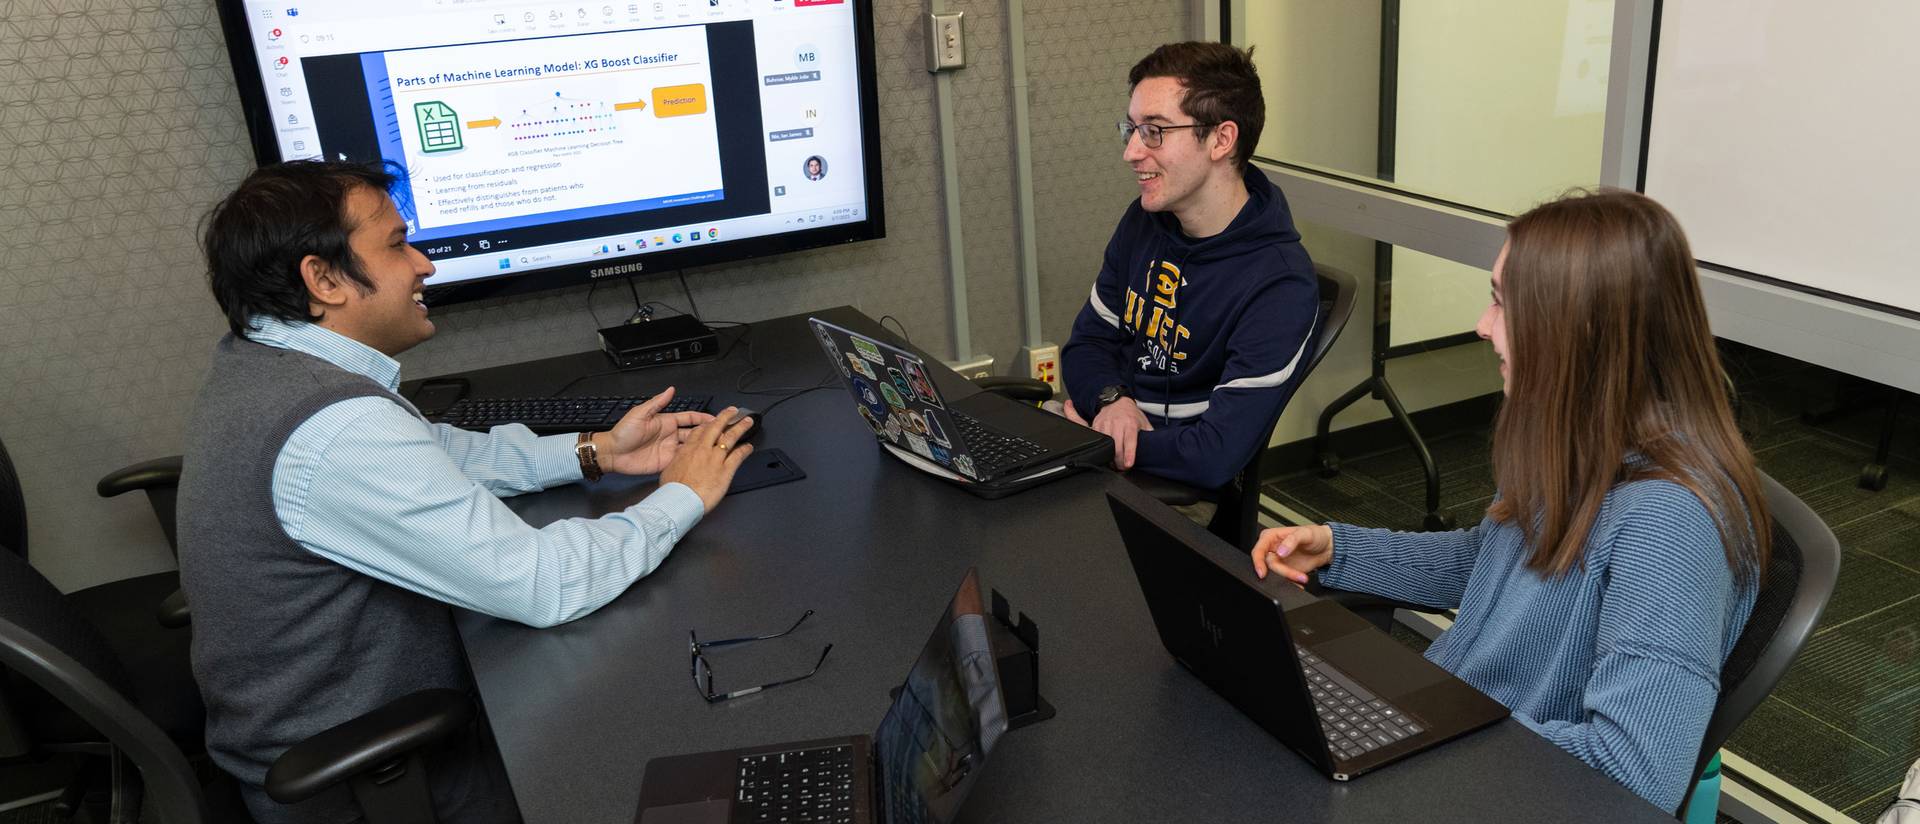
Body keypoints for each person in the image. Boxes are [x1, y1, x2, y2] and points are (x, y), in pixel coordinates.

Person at [176, 160, 756, 823]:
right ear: (324, 279)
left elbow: (443, 452)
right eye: (396, 245)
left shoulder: (268, 364)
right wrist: (680, 496)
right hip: (368, 784)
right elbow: (544, 584)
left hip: (329, 725)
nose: (423, 265)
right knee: (666, 741)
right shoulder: (337, 427)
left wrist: (596, 450)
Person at [1251, 190, 1770, 813]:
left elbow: (1634, 772)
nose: (1482, 324)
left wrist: (1438, 742)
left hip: (1495, 785)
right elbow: (1493, 561)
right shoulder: (1577, 438)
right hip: (1452, 738)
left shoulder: (1669, 524)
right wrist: (1341, 550)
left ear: (1577, 330)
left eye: (1502, 302)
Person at [1060, 41, 1318, 491]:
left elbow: (1214, 456)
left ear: (1222, 139)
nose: (1132, 152)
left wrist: (1100, 443)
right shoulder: (1145, 221)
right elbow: (1085, 346)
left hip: (1176, 497)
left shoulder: (1281, 284)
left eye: (1155, 131)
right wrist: (1111, 403)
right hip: (1108, 450)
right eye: (1133, 129)